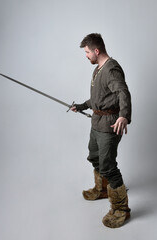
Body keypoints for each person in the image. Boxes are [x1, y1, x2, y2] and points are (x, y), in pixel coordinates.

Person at [71, 33, 132, 228]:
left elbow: (123, 92)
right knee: (94, 157)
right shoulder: (98, 69)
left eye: (87, 52)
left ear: (96, 51)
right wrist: (81, 106)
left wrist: (124, 115)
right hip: (96, 123)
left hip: (109, 126)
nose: (86, 55)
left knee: (108, 166)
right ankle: (102, 189)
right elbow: (98, 98)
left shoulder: (111, 69)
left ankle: (121, 208)